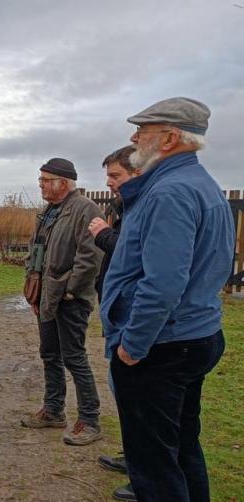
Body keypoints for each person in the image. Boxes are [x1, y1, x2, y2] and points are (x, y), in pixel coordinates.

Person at [101, 97, 234, 502]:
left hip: (161, 347)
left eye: (143, 130)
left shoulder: (169, 193)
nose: (134, 137)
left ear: (171, 138)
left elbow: (162, 284)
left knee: (154, 466)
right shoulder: (200, 185)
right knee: (180, 449)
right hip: (192, 336)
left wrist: (132, 347)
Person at [21, 158, 104, 446]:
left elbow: (90, 256)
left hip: (69, 299)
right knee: (49, 355)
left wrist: (70, 290)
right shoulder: (46, 212)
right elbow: (35, 252)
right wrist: (33, 287)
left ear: (64, 183)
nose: (41, 184)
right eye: (40, 180)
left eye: (46, 180)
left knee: (74, 358)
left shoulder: (85, 209)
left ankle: (90, 420)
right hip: (45, 296)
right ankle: (54, 411)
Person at [87, 145, 138, 501]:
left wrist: (104, 234)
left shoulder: (148, 207)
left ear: (138, 173)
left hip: (136, 324)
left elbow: (138, 256)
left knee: (140, 399)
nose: (110, 185)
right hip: (121, 318)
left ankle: (145, 474)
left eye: (115, 177)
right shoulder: (127, 207)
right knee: (126, 395)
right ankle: (135, 458)